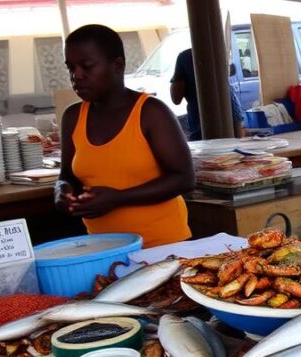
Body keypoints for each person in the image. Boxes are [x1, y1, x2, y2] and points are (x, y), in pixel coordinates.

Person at [55, 24, 193, 248]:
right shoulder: (72, 117)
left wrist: (118, 198)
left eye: (87, 66)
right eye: (70, 67)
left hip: (162, 247)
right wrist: (62, 190)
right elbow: (67, 175)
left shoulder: (151, 112)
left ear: (117, 66)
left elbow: (184, 178)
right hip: (103, 248)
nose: (76, 75)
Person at [170, 49, 244, 141]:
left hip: (201, 124)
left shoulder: (185, 57)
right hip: (228, 116)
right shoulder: (218, 51)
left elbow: (175, 98)